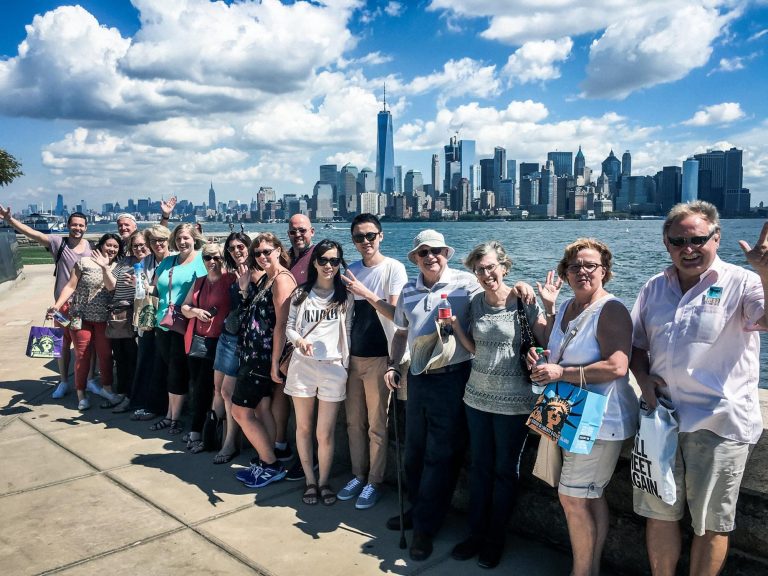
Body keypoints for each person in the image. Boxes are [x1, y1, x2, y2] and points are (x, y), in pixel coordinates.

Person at [629, 201, 768, 576]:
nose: (687, 248)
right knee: (658, 515)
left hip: (718, 424)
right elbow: (636, 344)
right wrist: (643, 382)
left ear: (716, 238)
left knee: (710, 524)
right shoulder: (654, 287)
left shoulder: (744, 282)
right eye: (678, 241)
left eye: (697, 239)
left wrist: (766, 273)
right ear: (666, 244)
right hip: (661, 419)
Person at [529, 237, 636, 576]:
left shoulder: (611, 309)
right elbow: (556, 347)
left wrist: (563, 372)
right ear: (565, 272)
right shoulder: (566, 307)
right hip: (571, 414)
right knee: (589, 497)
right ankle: (589, 569)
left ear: (605, 271)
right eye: (574, 266)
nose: (582, 271)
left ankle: (581, 572)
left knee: (573, 498)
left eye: (591, 265)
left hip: (601, 420)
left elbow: (618, 366)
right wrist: (543, 357)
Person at [447, 241, 556, 569]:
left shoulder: (523, 299)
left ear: (504, 267)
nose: (485, 273)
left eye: (491, 267)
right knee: (480, 469)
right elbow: (473, 348)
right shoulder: (475, 302)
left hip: (515, 402)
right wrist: (454, 327)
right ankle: (476, 534)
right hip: (477, 398)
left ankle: (495, 539)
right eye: (479, 269)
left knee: (505, 472)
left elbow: (548, 341)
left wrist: (550, 307)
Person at [384, 229, 483, 562]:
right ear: (414, 258)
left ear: (446, 254)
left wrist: (524, 291)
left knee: (440, 456)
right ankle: (418, 509)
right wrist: (393, 366)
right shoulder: (408, 290)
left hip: (453, 379)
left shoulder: (467, 284)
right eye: (424, 252)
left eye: (437, 251)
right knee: (414, 453)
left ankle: (426, 527)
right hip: (418, 378)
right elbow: (400, 333)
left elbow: (499, 299)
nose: (431, 257)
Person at [337, 213, 407, 510]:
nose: (365, 242)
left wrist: (365, 292)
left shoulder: (394, 268)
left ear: (381, 236)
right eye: (358, 237)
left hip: (381, 358)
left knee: (377, 426)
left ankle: (374, 481)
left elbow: (397, 314)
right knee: (353, 423)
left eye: (370, 236)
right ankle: (357, 474)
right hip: (352, 358)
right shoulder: (350, 270)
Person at [285, 240, 354, 506]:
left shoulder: (345, 296)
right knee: (303, 428)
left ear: (339, 264)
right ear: (314, 262)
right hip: (303, 367)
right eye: (323, 260)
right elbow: (290, 326)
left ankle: (324, 481)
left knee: (324, 433)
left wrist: (345, 366)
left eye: (334, 261)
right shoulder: (301, 293)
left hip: (333, 368)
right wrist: (298, 341)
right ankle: (309, 481)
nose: (328, 266)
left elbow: (346, 331)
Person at [0, 206, 92, 397]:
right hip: (62, 305)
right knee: (63, 343)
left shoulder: (90, 247)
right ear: (68, 226)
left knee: (87, 344)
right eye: (74, 224)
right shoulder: (59, 243)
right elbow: (32, 233)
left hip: (86, 305)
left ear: (86, 227)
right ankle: (64, 381)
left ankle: (89, 381)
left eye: (81, 225)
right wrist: (9, 220)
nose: (78, 228)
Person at [232, 233, 296, 489]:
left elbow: (282, 325)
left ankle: (271, 465)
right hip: (252, 355)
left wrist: (273, 363)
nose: (262, 257)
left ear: (279, 250)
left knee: (240, 411)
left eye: (267, 251)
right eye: (257, 253)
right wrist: (246, 289)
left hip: (262, 358)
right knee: (260, 410)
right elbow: (255, 315)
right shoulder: (266, 280)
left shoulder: (282, 280)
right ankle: (268, 458)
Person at [47, 234, 124, 411]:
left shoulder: (118, 267)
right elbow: (70, 286)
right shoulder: (84, 262)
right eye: (108, 245)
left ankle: (107, 388)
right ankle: (81, 394)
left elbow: (112, 289)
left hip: (104, 319)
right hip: (79, 317)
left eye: (115, 247)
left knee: (105, 355)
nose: (111, 249)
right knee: (82, 355)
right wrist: (57, 306)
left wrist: (105, 268)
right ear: (101, 246)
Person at [145, 223, 207, 435]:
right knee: (169, 367)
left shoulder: (202, 261)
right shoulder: (168, 262)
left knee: (178, 370)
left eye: (186, 238)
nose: (182, 242)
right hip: (163, 322)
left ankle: (175, 417)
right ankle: (170, 414)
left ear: (195, 239)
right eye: (179, 238)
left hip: (187, 324)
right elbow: (156, 287)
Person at [180, 243, 235, 453]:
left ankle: (203, 431)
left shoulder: (231, 280)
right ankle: (199, 429)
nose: (213, 261)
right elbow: (184, 307)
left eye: (217, 257)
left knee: (213, 388)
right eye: (208, 257)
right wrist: (195, 311)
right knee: (198, 385)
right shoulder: (199, 282)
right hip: (198, 341)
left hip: (221, 342)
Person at [212, 232, 258, 464]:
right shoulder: (233, 274)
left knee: (228, 393)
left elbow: (255, 309)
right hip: (227, 336)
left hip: (242, 342)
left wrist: (244, 289)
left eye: (241, 246)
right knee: (218, 390)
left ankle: (230, 442)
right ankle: (211, 434)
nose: (237, 251)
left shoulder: (256, 273)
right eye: (231, 248)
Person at [279, 214, 317, 479]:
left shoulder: (321, 255)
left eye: (302, 230)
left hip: (312, 342)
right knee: (295, 403)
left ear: (311, 231)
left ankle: (310, 460)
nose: (297, 235)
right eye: (293, 231)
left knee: (309, 405)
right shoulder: (286, 257)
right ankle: (298, 454)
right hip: (290, 341)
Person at [129, 224, 173, 421]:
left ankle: (159, 406)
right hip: (147, 316)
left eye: (161, 240)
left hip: (167, 319)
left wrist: (149, 287)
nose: (158, 244)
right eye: (153, 241)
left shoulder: (174, 261)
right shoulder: (144, 262)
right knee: (146, 358)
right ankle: (143, 402)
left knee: (162, 362)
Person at [106, 230, 144, 413]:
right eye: (135, 245)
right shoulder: (125, 262)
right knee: (120, 358)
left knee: (133, 359)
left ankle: (132, 396)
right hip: (118, 315)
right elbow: (111, 285)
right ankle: (122, 393)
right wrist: (105, 268)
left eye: (142, 245)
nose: (139, 248)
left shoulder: (151, 263)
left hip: (136, 316)